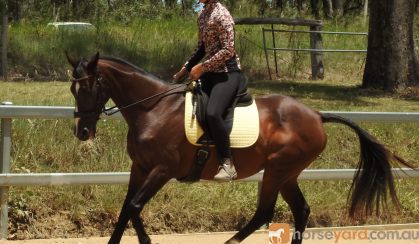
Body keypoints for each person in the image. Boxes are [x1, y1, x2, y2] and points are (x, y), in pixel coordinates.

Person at [173, 0, 245, 181]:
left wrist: (203, 67)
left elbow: (229, 50)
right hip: (209, 74)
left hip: (228, 75)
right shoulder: (203, 14)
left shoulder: (222, 15)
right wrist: (186, 68)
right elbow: (202, 47)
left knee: (213, 113)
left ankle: (228, 164)